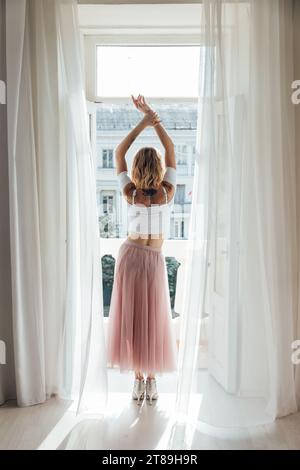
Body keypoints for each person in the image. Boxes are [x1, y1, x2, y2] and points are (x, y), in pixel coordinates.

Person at [106, 95, 178, 405]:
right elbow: (171, 150)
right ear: (159, 167)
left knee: (134, 319)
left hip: (131, 256)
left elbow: (119, 151)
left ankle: (138, 382)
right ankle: (150, 381)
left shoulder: (129, 192)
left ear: (136, 167)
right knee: (154, 318)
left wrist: (142, 123)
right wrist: (154, 118)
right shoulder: (167, 191)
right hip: (153, 259)